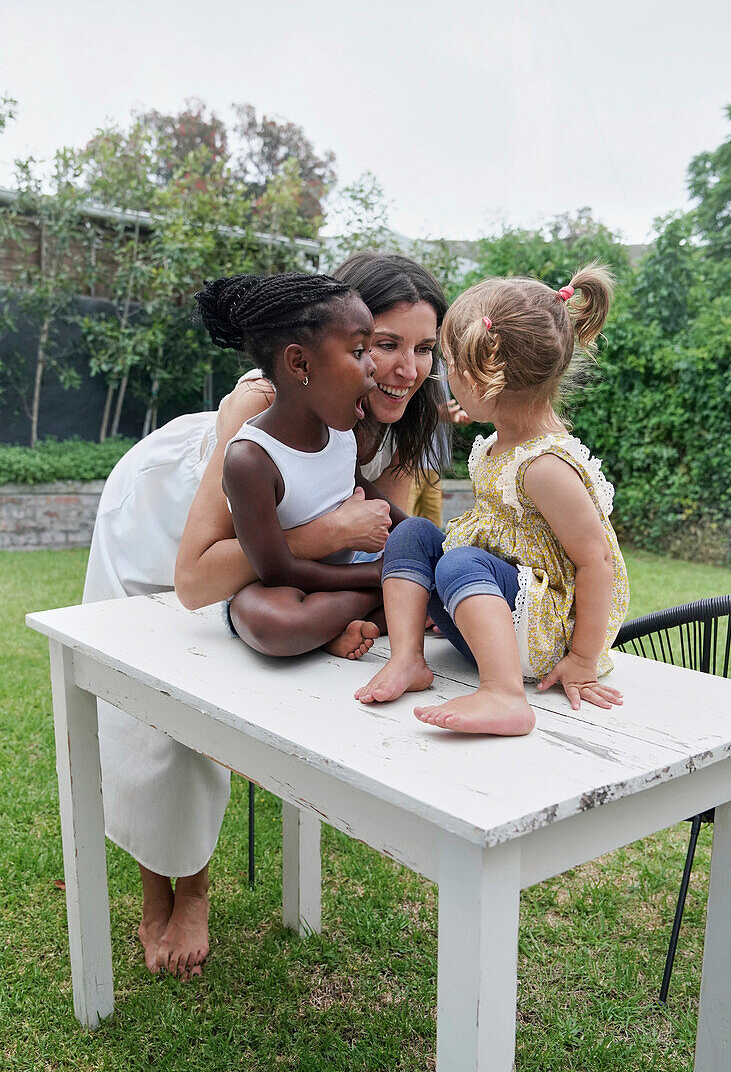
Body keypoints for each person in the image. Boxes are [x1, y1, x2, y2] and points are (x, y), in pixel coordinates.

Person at [82, 252, 448, 980]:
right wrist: (332, 541)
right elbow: (196, 576)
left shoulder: (411, 421)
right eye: (383, 345)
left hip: (270, 554)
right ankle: (178, 890)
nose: (405, 369)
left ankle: (185, 876)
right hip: (168, 525)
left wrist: (381, 600)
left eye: (424, 348)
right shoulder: (256, 408)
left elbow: (384, 535)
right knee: (148, 712)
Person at [355, 264, 630, 737]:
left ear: (480, 376)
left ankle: (504, 695)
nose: (439, 379)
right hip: (496, 621)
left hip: (544, 635)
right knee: (413, 532)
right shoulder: (503, 445)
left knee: (461, 561)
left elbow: (597, 561)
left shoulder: (545, 467)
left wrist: (583, 658)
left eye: (447, 366)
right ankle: (407, 659)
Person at [196, 270, 403, 658]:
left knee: (432, 560)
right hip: (285, 588)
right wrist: (378, 576)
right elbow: (278, 570)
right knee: (274, 624)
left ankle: (339, 627)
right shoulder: (251, 459)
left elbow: (357, 486)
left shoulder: (340, 428)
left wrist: (415, 532)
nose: (373, 366)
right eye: (359, 352)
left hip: (343, 576)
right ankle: (379, 604)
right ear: (300, 363)